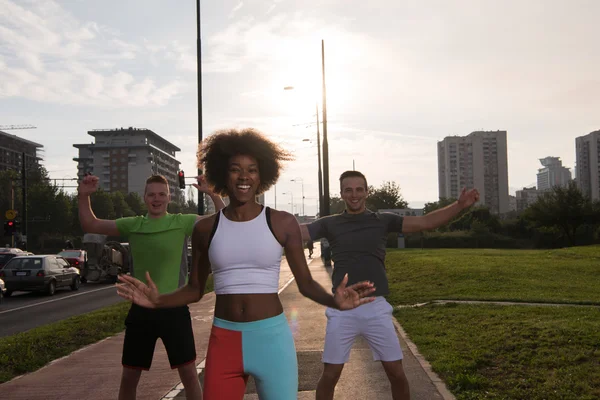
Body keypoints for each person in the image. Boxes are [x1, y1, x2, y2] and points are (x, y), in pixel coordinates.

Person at [116, 128, 376, 400]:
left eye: (252, 170)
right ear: (222, 174)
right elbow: (194, 289)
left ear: (262, 175)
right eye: (235, 169)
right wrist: (159, 300)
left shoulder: (282, 222)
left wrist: (335, 301)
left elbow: (306, 283)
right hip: (224, 341)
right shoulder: (205, 228)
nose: (244, 177)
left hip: (272, 342)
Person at [301, 170, 479, 400]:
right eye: (348, 190)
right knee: (331, 374)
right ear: (342, 193)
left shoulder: (383, 220)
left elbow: (425, 222)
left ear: (366, 192)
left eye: (359, 189)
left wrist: (459, 206)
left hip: (376, 307)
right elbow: (294, 231)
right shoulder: (329, 224)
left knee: (396, 373)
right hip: (342, 310)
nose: (354, 195)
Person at [78, 174, 225, 400]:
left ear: (169, 197)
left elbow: (220, 220)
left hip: (175, 309)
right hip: (141, 311)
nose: (156, 199)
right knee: (129, 377)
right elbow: (91, 224)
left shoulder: (181, 222)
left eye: (161, 194)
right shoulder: (134, 225)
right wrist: (84, 195)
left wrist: (212, 192)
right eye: (152, 195)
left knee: (188, 374)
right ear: (145, 198)